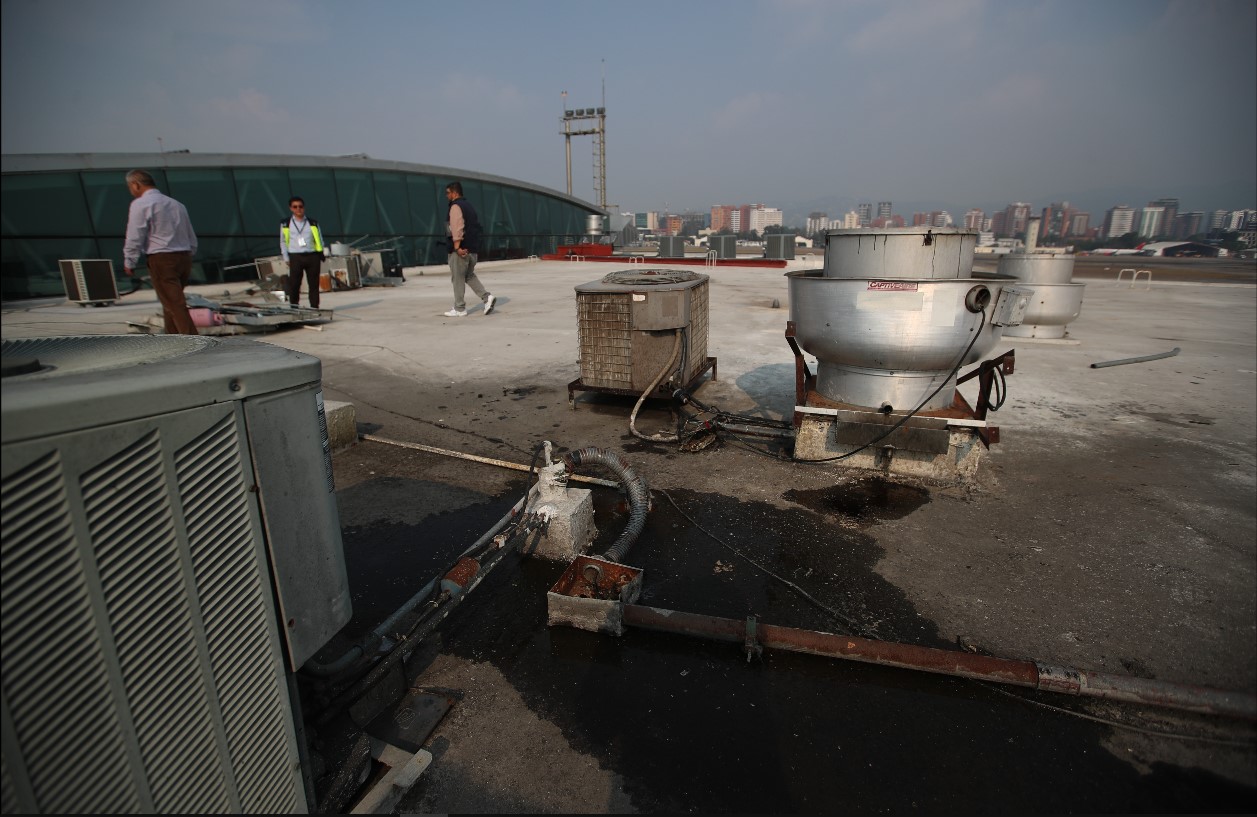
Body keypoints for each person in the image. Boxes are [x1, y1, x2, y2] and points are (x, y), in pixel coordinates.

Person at [123, 169, 198, 335]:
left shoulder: (141, 204)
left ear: (136, 185)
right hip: (184, 256)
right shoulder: (176, 204)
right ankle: (173, 337)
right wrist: (190, 253)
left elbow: (135, 235)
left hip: (162, 258)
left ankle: (193, 339)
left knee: (174, 303)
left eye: (130, 187)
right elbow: (190, 234)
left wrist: (130, 261)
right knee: (170, 302)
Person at [444, 182, 496, 317]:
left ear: (455, 193)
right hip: (472, 249)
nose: (446, 196)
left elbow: (457, 227)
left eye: (448, 193)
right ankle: (487, 297)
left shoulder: (456, 206)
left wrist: (457, 247)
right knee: (468, 275)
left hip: (461, 250)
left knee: (458, 278)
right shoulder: (469, 207)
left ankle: (460, 308)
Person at [280, 196, 326, 308]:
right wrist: (286, 258)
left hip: (312, 256)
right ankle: (294, 306)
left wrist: (321, 252)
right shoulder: (286, 224)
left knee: (314, 284)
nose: (298, 209)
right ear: (291, 208)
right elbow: (282, 242)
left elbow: (319, 238)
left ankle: (314, 307)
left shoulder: (312, 223)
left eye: (300, 206)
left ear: (304, 207)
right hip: (296, 256)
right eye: (295, 207)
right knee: (294, 284)